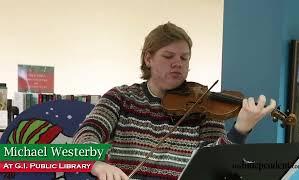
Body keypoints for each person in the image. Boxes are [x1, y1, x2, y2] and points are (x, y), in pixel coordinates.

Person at [72, 22, 276, 180]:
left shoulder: (203, 105)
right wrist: (96, 164)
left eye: (184, 58)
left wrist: (240, 130)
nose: (178, 64)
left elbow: (215, 162)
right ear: (148, 58)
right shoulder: (121, 98)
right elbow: (85, 135)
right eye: (168, 56)